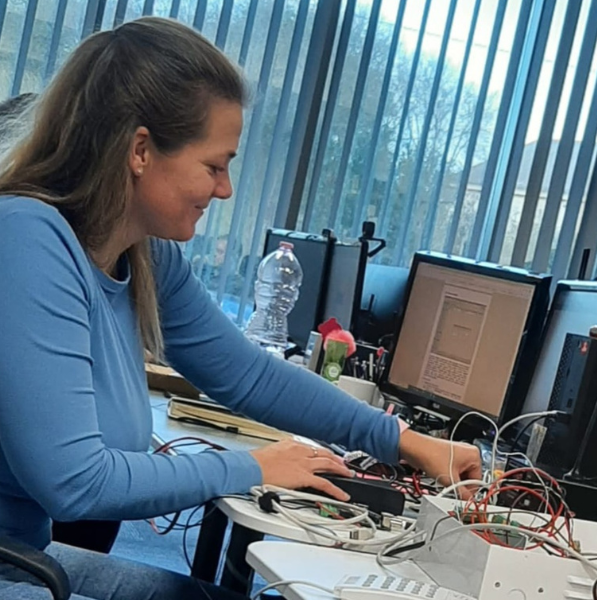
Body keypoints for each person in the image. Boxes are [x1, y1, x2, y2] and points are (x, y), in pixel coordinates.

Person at [0, 17, 481, 600]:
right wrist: (255, 466)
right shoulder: (27, 240)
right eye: (214, 165)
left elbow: (247, 375)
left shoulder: (145, 256)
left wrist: (403, 441)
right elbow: (77, 483)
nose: (225, 189)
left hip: (28, 561)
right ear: (141, 151)